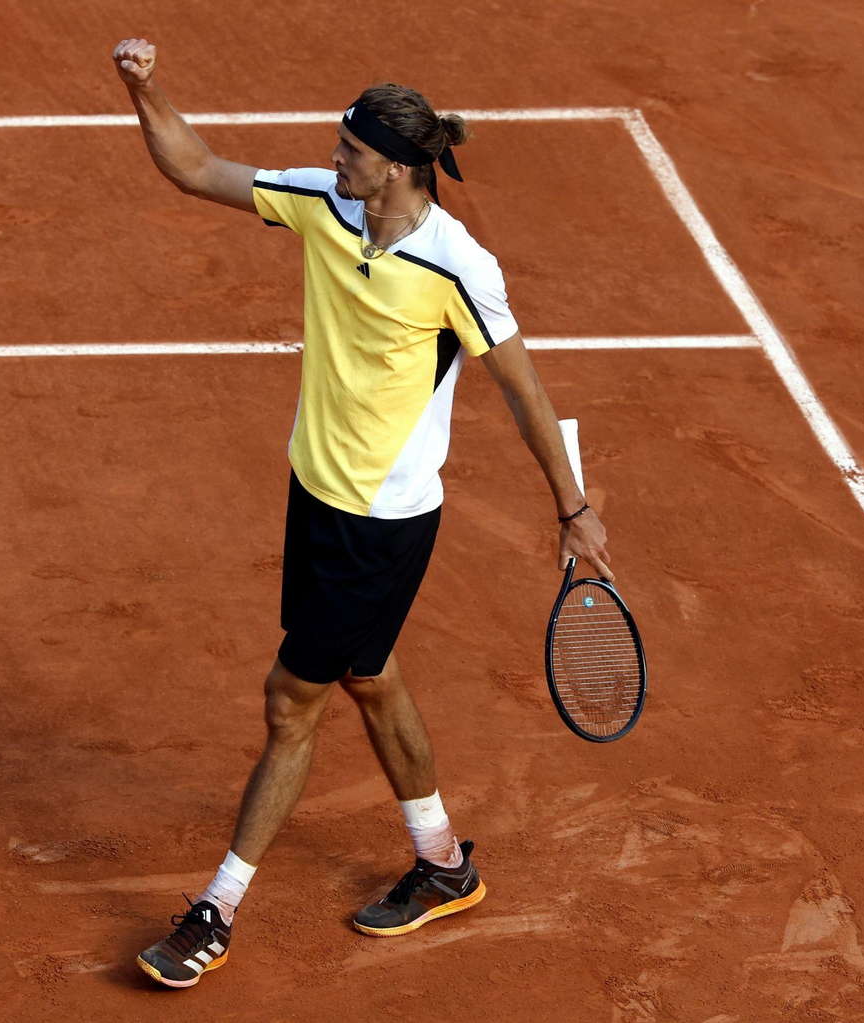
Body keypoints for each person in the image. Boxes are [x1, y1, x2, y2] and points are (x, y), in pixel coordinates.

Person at [112, 38, 614, 989]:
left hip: (384, 524)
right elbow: (194, 167)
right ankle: (442, 862)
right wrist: (145, 88)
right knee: (370, 676)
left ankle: (216, 909)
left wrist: (573, 506)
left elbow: (523, 388)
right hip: (315, 494)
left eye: (351, 150)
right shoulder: (323, 205)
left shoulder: (458, 266)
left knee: (290, 701)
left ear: (397, 167)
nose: (335, 157)